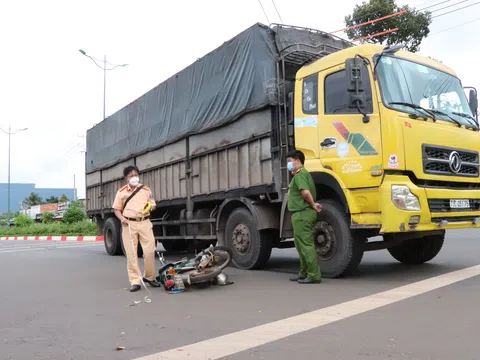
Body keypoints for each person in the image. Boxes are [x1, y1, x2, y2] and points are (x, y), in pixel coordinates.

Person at [112, 165, 161, 292]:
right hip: (129, 224)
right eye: (131, 175)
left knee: (149, 251)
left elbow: (153, 203)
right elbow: (117, 209)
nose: (134, 177)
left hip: (145, 222)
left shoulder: (145, 190)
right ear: (126, 178)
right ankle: (135, 281)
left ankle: (149, 277)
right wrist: (122, 219)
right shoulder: (122, 192)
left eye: (135, 175)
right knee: (132, 254)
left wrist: (150, 207)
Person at [286, 150, 322, 284]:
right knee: (300, 245)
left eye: (289, 161)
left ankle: (313, 275)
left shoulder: (300, 175)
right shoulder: (300, 174)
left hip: (303, 213)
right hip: (300, 214)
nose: (288, 164)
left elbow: (305, 193)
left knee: (306, 245)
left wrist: (313, 204)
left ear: (296, 160)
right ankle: (304, 272)